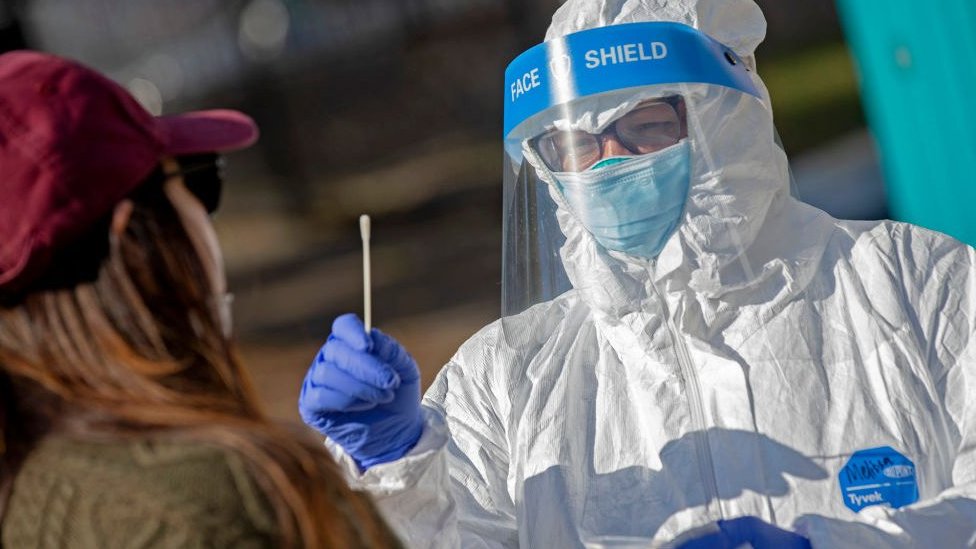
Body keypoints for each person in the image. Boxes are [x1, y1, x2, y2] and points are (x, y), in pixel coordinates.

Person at [298, 0, 976, 547]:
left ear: (727, 119)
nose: (608, 164)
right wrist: (394, 470)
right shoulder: (506, 377)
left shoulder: (918, 285)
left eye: (646, 127)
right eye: (574, 147)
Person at [0, 50, 402, 548]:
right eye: (198, 181)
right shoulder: (224, 503)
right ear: (130, 236)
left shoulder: (24, 493)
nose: (205, 218)